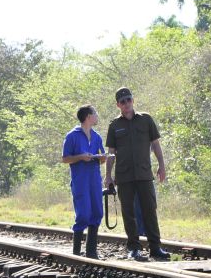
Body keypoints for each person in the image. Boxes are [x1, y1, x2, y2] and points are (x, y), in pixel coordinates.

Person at [104, 87, 170, 261]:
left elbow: (156, 145)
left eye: (129, 100)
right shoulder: (114, 125)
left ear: (133, 100)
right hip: (124, 176)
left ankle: (155, 247)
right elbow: (111, 152)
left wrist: (162, 166)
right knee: (129, 212)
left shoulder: (146, 120)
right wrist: (108, 175)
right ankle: (134, 248)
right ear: (118, 104)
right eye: (122, 101)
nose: (126, 104)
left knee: (150, 210)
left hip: (144, 174)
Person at [62, 105, 106, 258]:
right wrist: (80, 157)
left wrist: (102, 158)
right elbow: (65, 158)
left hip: (94, 179)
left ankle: (91, 252)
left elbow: (100, 159)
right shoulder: (72, 136)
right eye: (95, 113)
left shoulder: (97, 137)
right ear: (88, 116)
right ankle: (76, 252)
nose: (97, 116)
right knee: (84, 214)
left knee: (97, 212)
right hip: (80, 180)